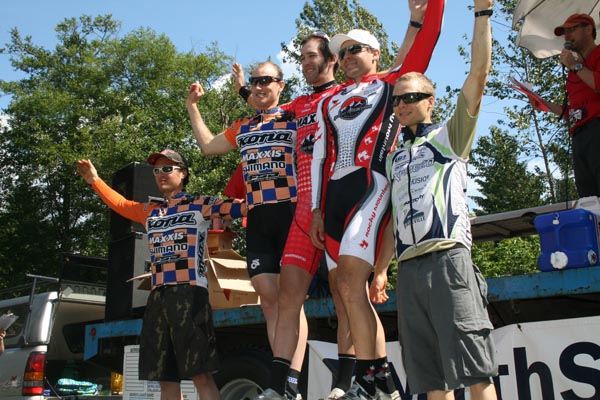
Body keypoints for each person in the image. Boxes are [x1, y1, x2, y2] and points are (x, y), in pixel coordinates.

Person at [309, 1, 444, 398]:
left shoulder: (392, 85)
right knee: (344, 290)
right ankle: (376, 378)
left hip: (372, 185)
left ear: (375, 54)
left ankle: (372, 375)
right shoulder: (328, 100)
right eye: (342, 51)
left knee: (352, 281)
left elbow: (428, 38)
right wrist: (317, 209)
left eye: (356, 49)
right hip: (332, 195)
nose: (347, 56)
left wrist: (426, 9)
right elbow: (321, 156)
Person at [383, 0, 498, 399]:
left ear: (430, 100)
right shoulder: (393, 156)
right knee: (431, 381)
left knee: (476, 372)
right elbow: (391, 220)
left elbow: (479, 75)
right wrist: (382, 269)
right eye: (396, 99)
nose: (402, 104)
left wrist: (482, 14)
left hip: (449, 260)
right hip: (408, 271)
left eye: (411, 96)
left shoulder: (451, 137)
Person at [77, 149, 246, 400]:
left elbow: (243, 208)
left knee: (201, 374)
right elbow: (121, 205)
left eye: (168, 168)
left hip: (190, 294)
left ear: (183, 173)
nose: (161, 174)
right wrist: (94, 180)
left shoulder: (199, 204)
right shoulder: (151, 211)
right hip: (158, 297)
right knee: (165, 378)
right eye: (157, 170)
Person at [185, 62, 302, 398]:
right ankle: (283, 380)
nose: (259, 86)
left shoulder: (294, 115)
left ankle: (289, 379)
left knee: (291, 300)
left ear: (281, 85)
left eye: (266, 80)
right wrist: (192, 106)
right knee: (268, 299)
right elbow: (207, 146)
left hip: (292, 213)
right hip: (260, 219)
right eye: (254, 82)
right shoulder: (244, 126)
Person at [530, 13, 600, 197]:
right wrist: (544, 104)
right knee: (589, 199)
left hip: (597, 129)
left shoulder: (597, 55)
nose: (567, 36)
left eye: (572, 29)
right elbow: (574, 112)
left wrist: (575, 66)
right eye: (564, 32)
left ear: (588, 29)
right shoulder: (574, 70)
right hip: (579, 135)